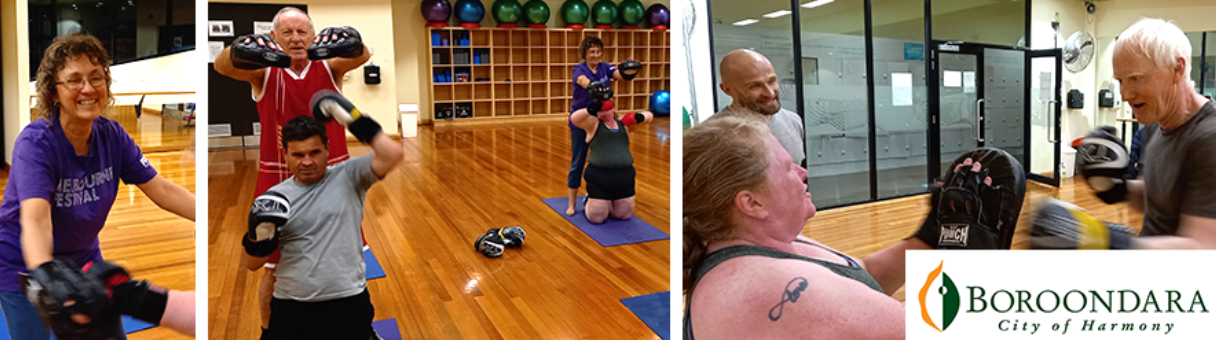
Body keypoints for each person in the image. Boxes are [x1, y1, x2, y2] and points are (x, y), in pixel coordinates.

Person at [682, 115, 1015, 339]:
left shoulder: (763, 242)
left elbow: (860, 277)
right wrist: (975, 262)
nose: (803, 173)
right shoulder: (768, 287)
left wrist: (930, 234)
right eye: (787, 169)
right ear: (750, 202)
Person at [0, 34, 195, 340]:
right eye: (74, 80)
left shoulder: (112, 135)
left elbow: (163, 190)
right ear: (53, 92)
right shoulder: (36, 143)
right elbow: (36, 218)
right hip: (23, 265)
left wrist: (208, 214)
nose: (88, 89)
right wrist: (45, 273)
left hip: (84, 259)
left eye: (96, 77)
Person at [213, 6, 372, 336]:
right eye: (287, 32)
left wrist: (347, 40)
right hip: (279, 181)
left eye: (302, 32)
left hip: (333, 178)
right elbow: (222, 65)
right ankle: (269, 331)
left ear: (314, 36)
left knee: (349, 257)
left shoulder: (329, 66)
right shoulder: (264, 73)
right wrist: (243, 46)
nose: (296, 39)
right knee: (273, 267)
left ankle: (359, 326)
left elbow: (362, 55)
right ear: (274, 38)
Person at [1035, 18, 1216, 249]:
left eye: (1136, 79)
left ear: (1177, 69)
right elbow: (1154, 199)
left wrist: (1102, 239)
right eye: (1120, 80)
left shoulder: (1209, 138)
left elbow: (1203, 247)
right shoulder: (1155, 123)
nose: (1125, 94)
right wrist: (1114, 188)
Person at [241, 92, 403, 339]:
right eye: (297, 155)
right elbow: (251, 265)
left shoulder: (349, 176)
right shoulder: (273, 199)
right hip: (292, 303)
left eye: (314, 152)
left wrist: (351, 117)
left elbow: (393, 154)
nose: (307, 161)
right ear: (285, 154)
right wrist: (258, 236)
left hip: (348, 299)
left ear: (327, 149)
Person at [565, 36, 642, 215]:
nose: (596, 55)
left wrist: (629, 72)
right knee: (578, 161)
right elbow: (582, 81)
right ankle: (571, 203)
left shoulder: (605, 67)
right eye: (592, 52)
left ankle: (601, 195)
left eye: (599, 51)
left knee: (605, 160)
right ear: (585, 53)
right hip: (583, 121)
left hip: (602, 122)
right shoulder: (579, 68)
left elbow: (619, 76)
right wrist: (593, 85)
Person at [712, 49, 805, 167]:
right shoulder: (713, 135)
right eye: (755, 86)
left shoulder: (793, 121)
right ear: (727, 90)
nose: (770, 93)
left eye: (772, 81)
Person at [569, 98, 653, 224]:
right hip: (600, 177)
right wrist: (589, 109)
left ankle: (612, 200)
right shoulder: (593, 124)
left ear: (613, 109)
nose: (603, 113)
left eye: (606, 110)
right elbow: (574, 118)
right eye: (600, 111)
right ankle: (589, 199)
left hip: (624, 177)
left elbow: (650, 116)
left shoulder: (624, 124)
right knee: (597, 218)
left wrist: (638, 117)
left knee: (623, 215)